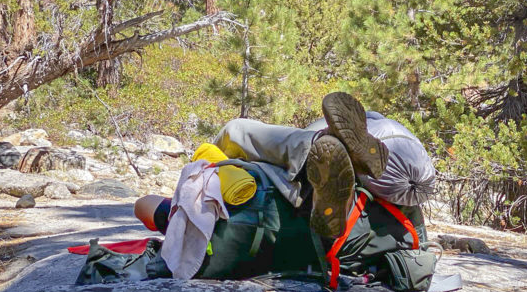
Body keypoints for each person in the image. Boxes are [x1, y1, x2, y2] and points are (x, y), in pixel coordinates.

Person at [136, 92, 436, 238]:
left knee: (233, 132)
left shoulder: (222, 206)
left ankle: (315, 146)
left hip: (379, 157)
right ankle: (318, 144)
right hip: (412, 172)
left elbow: (142, 205)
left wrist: (177, 202)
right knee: (242, 133)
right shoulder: (405, 228)